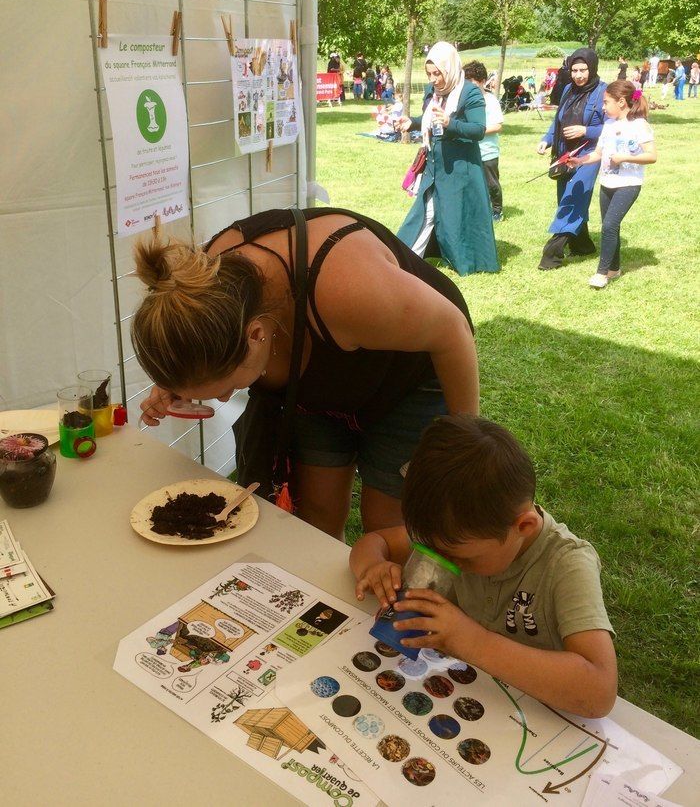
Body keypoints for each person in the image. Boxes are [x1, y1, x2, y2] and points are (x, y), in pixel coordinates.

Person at [134, 209, 479, 541]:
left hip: (408, 381)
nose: (224, 398)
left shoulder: (347, 288)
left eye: (228, 387)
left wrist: (465, 443)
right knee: (316, 518)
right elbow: (188, 335)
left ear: (256, 335)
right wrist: (175, 379)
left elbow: (453, 332)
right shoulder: (201, 286)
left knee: (386, 526)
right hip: (321, 383)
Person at [350, 415, 617, 718]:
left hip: (533, 717)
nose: (444, 563)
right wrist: (374, 566)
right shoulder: (455, 532)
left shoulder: (567, 565)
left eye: (461, 558)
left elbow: (599, 692)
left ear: (524, 526)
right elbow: (374, 543)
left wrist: (471, 641)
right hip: (462, 697)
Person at [396, 42, 499, 276]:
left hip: (460, 167)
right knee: (427, 209)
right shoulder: (433, 93)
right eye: (429, 74)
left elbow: (478, 130)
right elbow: (428, 119)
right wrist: (411, 122)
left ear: (449, 68)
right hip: (435, 163)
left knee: (447, 214)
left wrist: (450, 124)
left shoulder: (469, 92)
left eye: (437, 73)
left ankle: (407, 260)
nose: (433, 79)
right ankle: (404, 259)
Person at [570, 81, 657, 289]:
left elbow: (652, 156)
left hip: (628, 184)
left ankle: (601, 273)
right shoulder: (608, 125)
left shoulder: (639, 125)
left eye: (606, 102)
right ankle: (614, 268)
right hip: (607, 182)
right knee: (610, 227)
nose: (603, 106)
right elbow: (598, 154)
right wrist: (579, 161)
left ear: (621, 102)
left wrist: (625, 157)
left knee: (609, 225)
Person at [536, 47, 606, 270]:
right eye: (574, 70)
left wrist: (586, 131)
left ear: (592, 68)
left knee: (573, 198)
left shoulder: (604, 92)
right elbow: (558, 120)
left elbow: (614, 127)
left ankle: (552, 255)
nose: (578, 75)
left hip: (589, 155)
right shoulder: (568, 89)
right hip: (564, 153)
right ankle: (582, 245)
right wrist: (546, 140)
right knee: (566, 197)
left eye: (583, 70)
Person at [464, 60, 505, 222]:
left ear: (482, 81)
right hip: (470, 152)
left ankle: (497, 210)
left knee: (492, 184)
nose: (469, 87)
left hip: (488, 152)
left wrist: (476, 131)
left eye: (473, 83)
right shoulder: (466, 101)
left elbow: (497, 126)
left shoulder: (491, 101)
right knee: (472, 185)